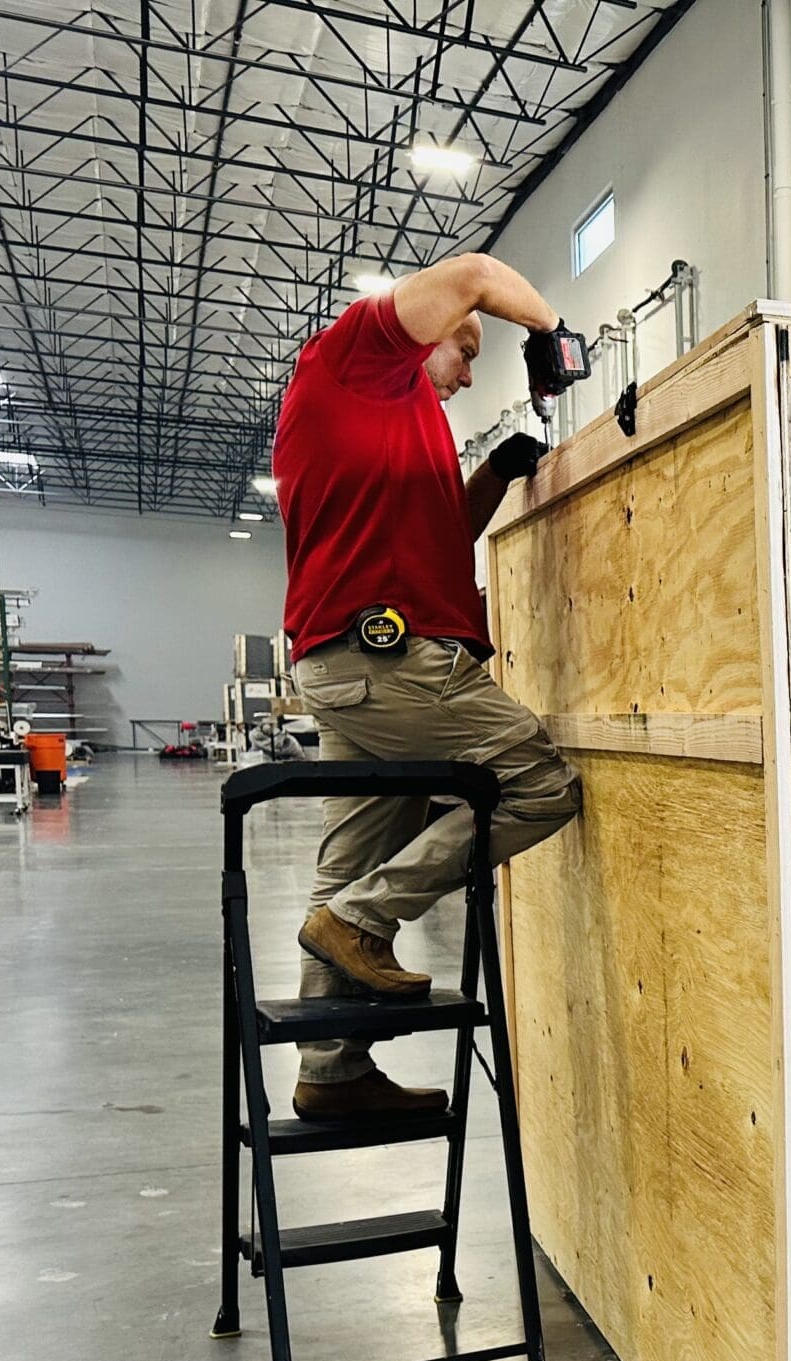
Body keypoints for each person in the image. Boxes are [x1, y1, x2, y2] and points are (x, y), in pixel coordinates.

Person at [272, 252, 589, 1121]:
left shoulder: (397, 425)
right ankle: (366, 920)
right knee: (542, 786)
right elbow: (478, 271)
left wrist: (496, 474)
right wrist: (549, 332)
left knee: (348, 863)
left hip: (347, 670)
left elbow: (441, 538)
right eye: (466, 352)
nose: (469, 374)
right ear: (425, 332)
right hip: (390, 663)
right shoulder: (353, 363)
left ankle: (331, 1071)